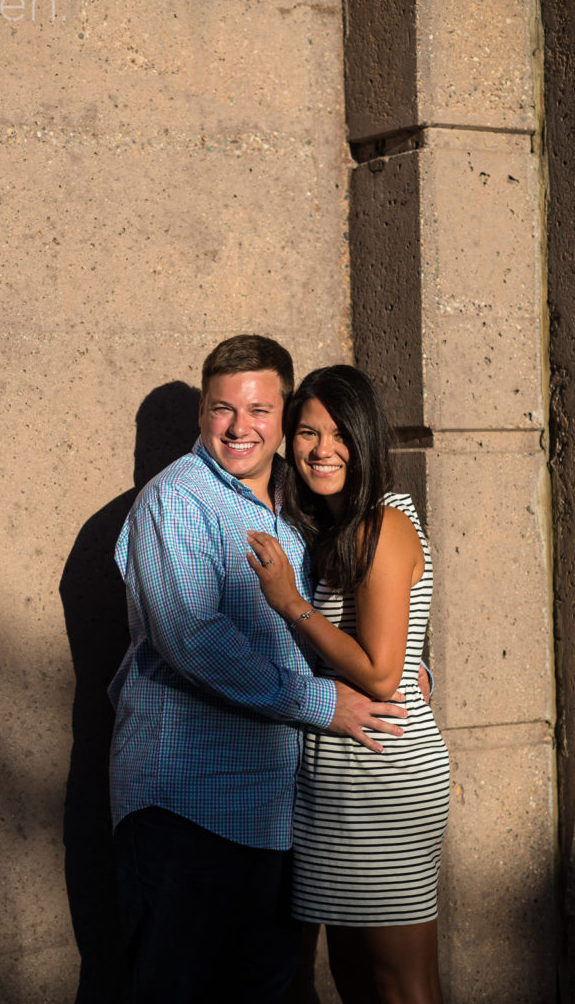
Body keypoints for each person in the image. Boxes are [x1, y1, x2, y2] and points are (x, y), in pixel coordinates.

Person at [107, 336, 410, 1004]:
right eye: (223, 410)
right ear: (202, 415)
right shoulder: (176, 501)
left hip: (278, 810)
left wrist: (399, 666)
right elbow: (195, 642)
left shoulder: (300, 507)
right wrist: (322, 702)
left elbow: (341, 615)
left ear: (282, 416)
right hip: (187, 806)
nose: (241, 427)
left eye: (260, 410)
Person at [247, 365, 450, 1004]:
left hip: (382, 777)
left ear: (365, 439)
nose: (322, 449)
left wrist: (290, 604)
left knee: (401, 986)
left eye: (340, 433)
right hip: (342, 779)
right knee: (356, 981)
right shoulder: (343, 526)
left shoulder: (378, 525)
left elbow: (385, 675)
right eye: (307, 432)